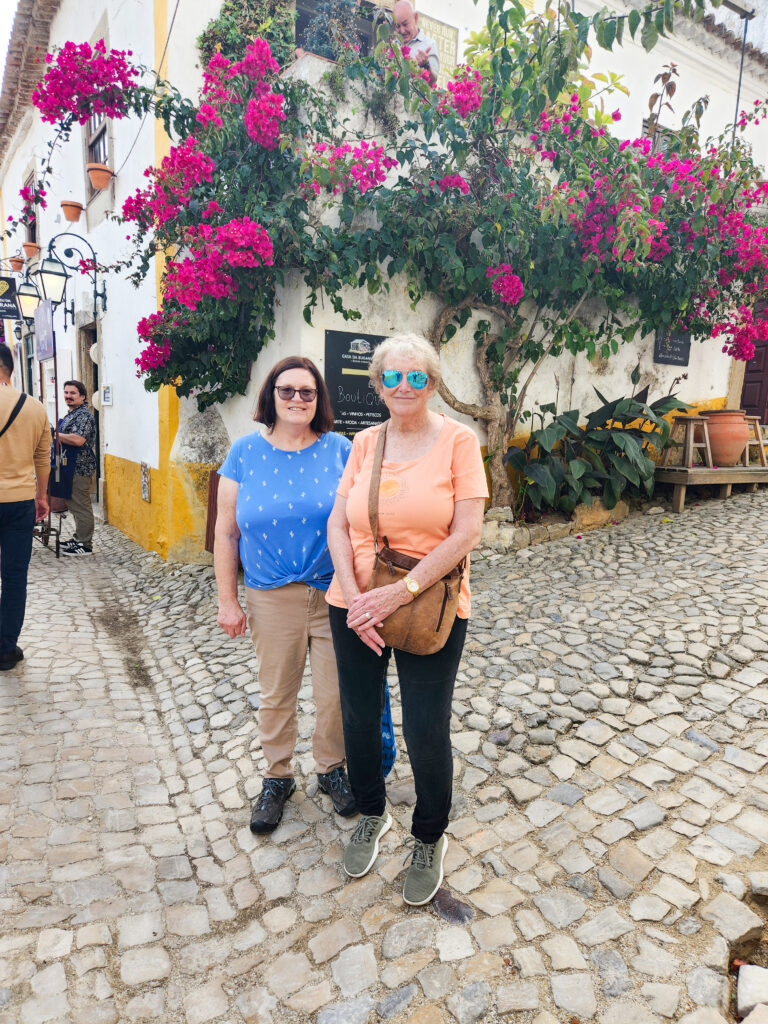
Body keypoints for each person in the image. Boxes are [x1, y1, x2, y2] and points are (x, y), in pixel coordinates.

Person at [326, 333, 488, 906]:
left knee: (424, 729)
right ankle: (372, 812)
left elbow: (467, 531)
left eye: (416, 377)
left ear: (433, 384)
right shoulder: (364, 443)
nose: (403, 386)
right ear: (376, 385)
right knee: (360, 719)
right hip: (356, 603)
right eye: (392, 377)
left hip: (430, 604)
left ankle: (429, 835)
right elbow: (338, 525)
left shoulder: (459, 442)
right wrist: (354, 597)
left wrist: (396, 595)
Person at [215, 356, 356, 833]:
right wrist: (227, 600)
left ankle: (331, 769)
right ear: (270, 396)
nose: (297, 399)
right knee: (277, 694)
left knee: (336, 692)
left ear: (319, 400)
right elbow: (225, 532)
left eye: (307, 392)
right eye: (287, 390)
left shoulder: (340, 449)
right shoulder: (244, 453)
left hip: (334, 592)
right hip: (270, 596)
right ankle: (277, 777)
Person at [0, 344, 50, 670]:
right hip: (18, 500)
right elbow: (42, 458)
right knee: (14, 576)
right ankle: (5, 649)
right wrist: (41, 496)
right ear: (11, 368)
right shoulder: (34, 408)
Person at [57, 380, 97, 556]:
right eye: (66, 393)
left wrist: (55, 435)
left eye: (72, 393)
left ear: (82, 396)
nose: (68, 396)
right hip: (69, 465)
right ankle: (78, 537)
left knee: (81, 506)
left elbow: (78, 440)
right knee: (73, 504)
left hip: (80, 467)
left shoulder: (84, 416)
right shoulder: (72, 414)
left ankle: (85, 544)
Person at [393, 0, 439, 85]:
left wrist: (425, 65)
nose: (402, 31)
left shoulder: (429, 45)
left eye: (405, 24)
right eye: (398, 26)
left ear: (416, 18)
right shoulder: (392, 45)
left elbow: (432, 82)